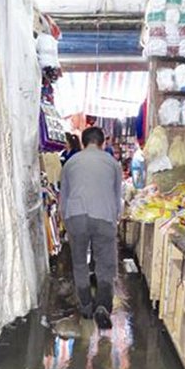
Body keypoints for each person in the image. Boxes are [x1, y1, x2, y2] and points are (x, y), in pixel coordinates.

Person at [60, 126, 122, 329]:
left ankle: (86, 306)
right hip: (103, 215)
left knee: (79, 263)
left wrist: (65, 223)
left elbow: (64, 197)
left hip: (76, 215)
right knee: (105, 264)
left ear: (84, 142)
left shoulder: (70, 163)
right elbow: (116, 196)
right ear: (102, 142)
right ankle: (102, 305)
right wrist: (115, 220)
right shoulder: (113, 163)